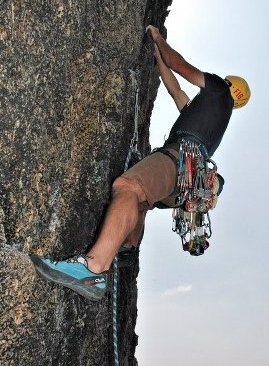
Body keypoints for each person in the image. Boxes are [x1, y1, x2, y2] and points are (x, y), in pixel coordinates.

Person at [31, 25, 251, 301]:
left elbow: (179, 65)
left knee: (128, 188)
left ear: (229, 85)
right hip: (183, 183)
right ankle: (126, 245)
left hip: (178, 162)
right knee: (141, 201)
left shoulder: (219, 89)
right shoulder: (212, 117)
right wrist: (158, 58)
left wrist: (159, 39)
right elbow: (175, 91)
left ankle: (93, 267)